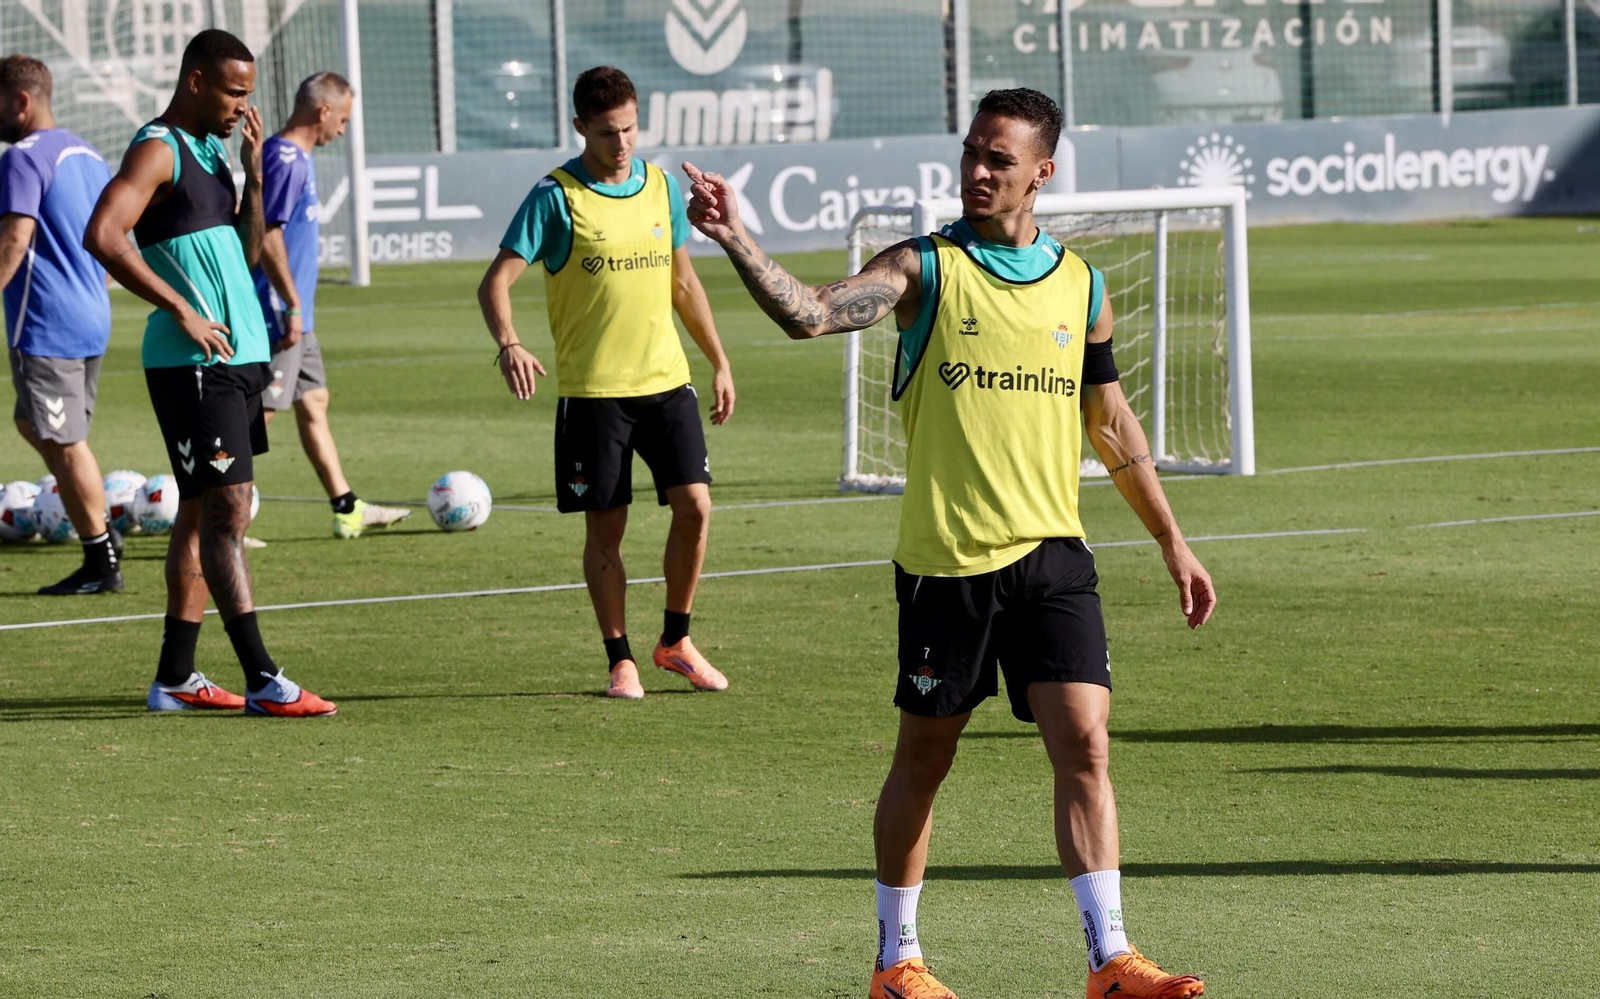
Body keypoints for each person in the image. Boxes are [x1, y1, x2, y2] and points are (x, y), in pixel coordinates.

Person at [685, 88, 1215, 999]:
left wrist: (1172, 538)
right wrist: (735, 235)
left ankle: (1111, 960)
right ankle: (897, 960)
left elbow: (1111, 419)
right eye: (971, 152)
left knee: (1086, 745)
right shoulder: (924, 269)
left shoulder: (1083, 286)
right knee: (925, 759)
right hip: (947, 567)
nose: (977, 170)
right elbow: (811, 313)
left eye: (998, 158)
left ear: (1042, 172)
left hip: (1053, 553)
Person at [84, 29, 335, 717]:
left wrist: (254, 177)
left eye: (248, 95)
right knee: (227, 509)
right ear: (195, 80)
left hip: (237, 357)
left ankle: (175, 677)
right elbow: (103, 233)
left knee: (202, 514)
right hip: (193, 363)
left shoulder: (212, 153)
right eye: (233, 92)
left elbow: (249, 255)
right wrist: (180, 308)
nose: (241, 107)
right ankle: (262, 678)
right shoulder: (157, 147)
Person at [477, 66, 736, 700]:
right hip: (594, 395)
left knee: (695, 507)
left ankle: (675, 640)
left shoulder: (659, 186)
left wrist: (719, 359)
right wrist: (509, 342)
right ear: (578, 128)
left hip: (666, 382)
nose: (620, 143)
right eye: (604, 132)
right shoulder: (555, 196)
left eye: (627, 128)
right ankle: (620, 658)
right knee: (606, 532)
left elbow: (683, 283)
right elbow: (495, 282)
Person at [252, 71, 409, 538]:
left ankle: (347, 507)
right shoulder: (285, 160)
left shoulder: (296, 157)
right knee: (257, 414)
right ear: (323, 111)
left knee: (313, 399)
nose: (342, 130)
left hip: (298, 313)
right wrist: (292, 305)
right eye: (341, 120)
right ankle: (214, 518)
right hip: (279, 312)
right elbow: (267, 235)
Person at [0, 54, 121, 595]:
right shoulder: (87, 154)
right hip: (93, 315)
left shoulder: (21, 158)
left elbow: (12, 242)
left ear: (21, 102)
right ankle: (93, 519)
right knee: (34, 424)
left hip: (48, 325)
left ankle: (102, 558)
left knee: (67, 443)